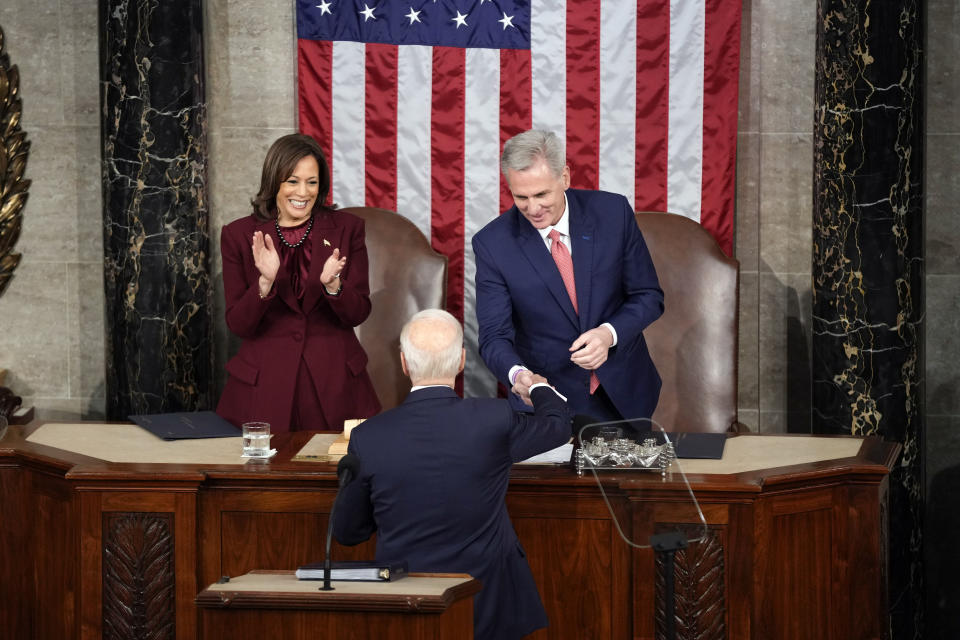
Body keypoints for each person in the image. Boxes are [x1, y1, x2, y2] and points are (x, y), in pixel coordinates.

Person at [333, 309, 571, 640]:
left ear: (404, 363)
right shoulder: (494, 419)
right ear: (461, 362)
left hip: (407, 608)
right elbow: (558, 426)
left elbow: (348, 532)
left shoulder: (368, 438)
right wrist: (537, 388)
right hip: (488, 606)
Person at [472, 129, 664, 421]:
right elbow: (493, 337)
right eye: (520, 197)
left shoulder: (613, 213)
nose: (533, 208)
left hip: (624, 393)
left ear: (565, 177)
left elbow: (648, 296)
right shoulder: (493, 244)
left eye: (541, 194)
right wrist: (518, 375)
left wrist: (608, 334)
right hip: (548, 403)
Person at [216, 133, 380, 432]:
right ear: (273, 182)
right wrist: (264, 285)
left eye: (312, 182)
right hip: (265, 386)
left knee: (341, 475)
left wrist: (334, 287)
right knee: (262, 476)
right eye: (292, 181)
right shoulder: (238, 235)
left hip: (336, 384)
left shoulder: (347, 229)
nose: (303, 192)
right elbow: (239, 325)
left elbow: (358, 312)